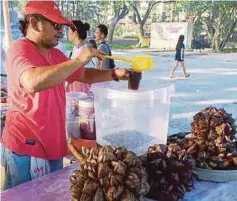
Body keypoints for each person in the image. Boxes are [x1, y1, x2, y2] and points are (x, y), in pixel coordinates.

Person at [0, 1, 130, 190]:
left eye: (62, 26)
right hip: (26, 148)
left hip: (53, 144)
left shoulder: (56, 55)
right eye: (55, 25)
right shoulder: (19, 50)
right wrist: (78, 59)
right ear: (35, 22)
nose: (60, 30)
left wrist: (114, 74)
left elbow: (83, 74)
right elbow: (32, 82)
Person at [66, 20, 95, 93]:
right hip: (76, 83)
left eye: (69, 31)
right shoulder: (77, 47)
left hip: (80, 85)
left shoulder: (82, 49)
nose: (68, 34)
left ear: (75, 33)